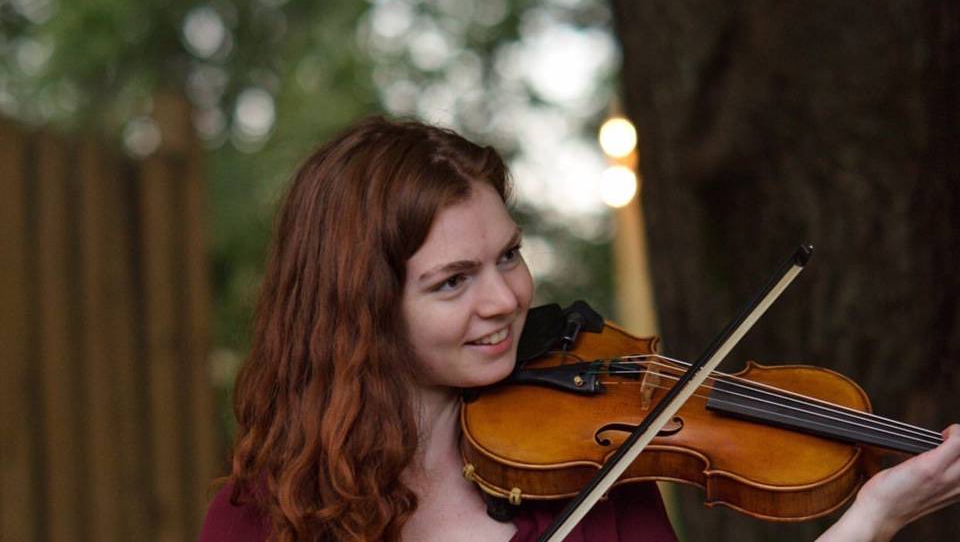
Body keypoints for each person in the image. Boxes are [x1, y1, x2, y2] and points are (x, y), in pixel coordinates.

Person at [200, 116, 960, 542]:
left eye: (509, 256)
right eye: (454, 281)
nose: (506, 299)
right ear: (358, 307)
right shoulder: (261, 515)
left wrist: (872, 518)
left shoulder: (599, 483)